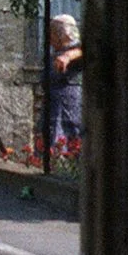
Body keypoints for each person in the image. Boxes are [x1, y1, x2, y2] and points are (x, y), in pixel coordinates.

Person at [45, 13, 83, 151]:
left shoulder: (74, 49)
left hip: (68, 107)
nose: (49, 38)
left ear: (63, 34)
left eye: (52, 33)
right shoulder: (55, 52)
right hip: (53, 107)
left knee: (68, 140)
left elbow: (85, 50)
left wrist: (68, 56)